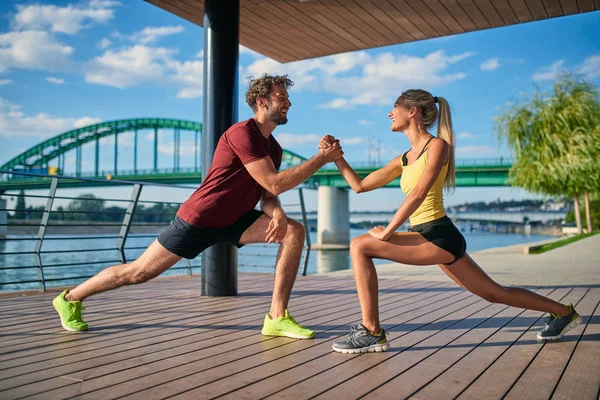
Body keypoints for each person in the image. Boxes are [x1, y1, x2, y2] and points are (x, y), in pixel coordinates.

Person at [53, 74, 343, 339]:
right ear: (261, 101)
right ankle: (69, 300)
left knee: (294, 231)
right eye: (282, 97)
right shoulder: (242, 133)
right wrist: (320, 159)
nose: (288, 103)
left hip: (236, 218)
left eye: (287, 98)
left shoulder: (274, 147)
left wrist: (277, 212)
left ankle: (276, 317)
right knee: (138, 272)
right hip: (200, 218)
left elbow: (269, 192)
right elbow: (276, 182)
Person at [319, 89, 583, 354]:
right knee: (494, 293)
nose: (390, 112)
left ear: (413, 111)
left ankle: (372, 332)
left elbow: (419, 193)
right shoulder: (404, 159)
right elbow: (359, 185)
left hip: (438, 235)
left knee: (360, 246)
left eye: (395, 106)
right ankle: (564, 313)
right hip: (427, 235)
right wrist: (337, 156)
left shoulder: (437, 147)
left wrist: (388, 232)